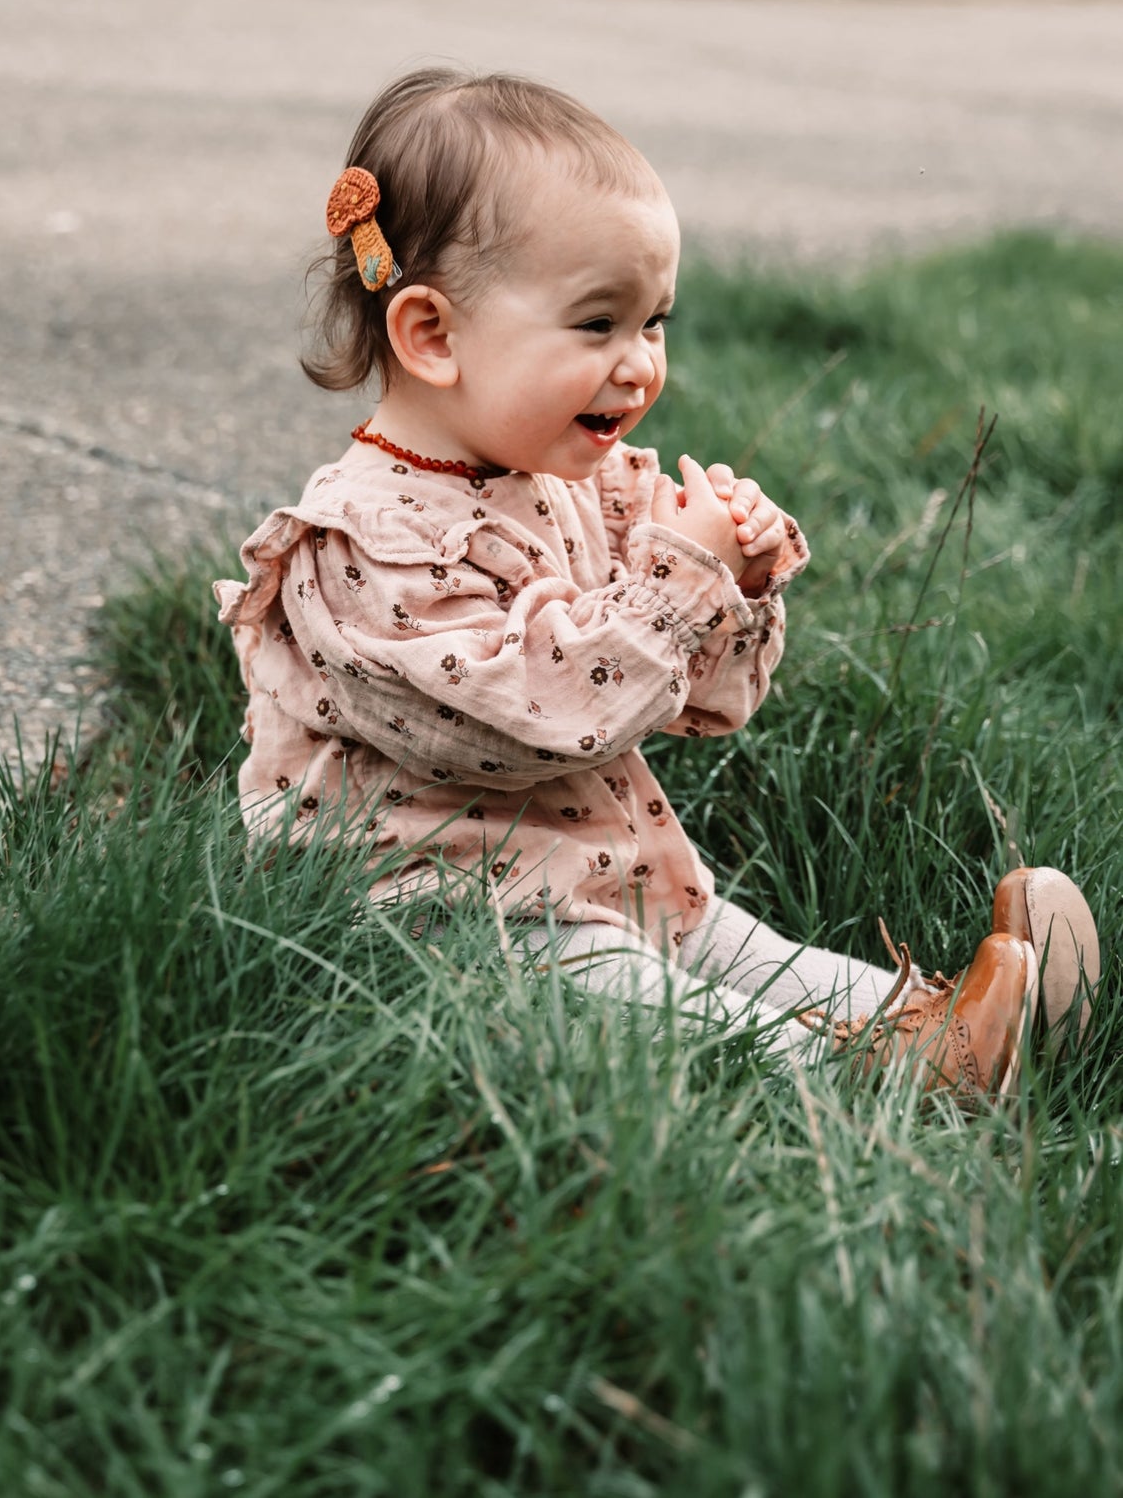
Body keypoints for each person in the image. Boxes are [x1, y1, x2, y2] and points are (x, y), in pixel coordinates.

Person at [215, 67, 1098, 1097]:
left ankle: (950, 1025)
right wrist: (681, 585)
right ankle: (902, 1072)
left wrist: (740, 583)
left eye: (653, 322)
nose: (637, 364)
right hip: (434, 923)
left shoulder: (582, 486)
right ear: (432, 336)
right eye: (597, 325)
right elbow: (523, 726)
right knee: (648, 1002)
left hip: (596, 873)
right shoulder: (364, 545)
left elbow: (689, 704)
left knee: (735, 949)